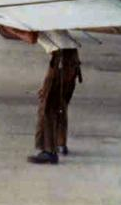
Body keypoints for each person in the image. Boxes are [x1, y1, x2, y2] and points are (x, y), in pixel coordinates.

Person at [28, 31, 82, 164]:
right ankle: (60, 144)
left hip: (61, 59)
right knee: (60, 104)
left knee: (47, 106)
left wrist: (9, 29)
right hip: (72, 59)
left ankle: (48, 151)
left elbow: (31, 37)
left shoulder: (29, 19)